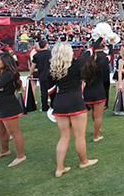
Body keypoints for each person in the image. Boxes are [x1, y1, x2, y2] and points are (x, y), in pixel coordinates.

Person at [49, 42, 98, 178]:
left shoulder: (52, 70)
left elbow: (49, 90)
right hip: (76, 103)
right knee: (79, 136)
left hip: (60, 104)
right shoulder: (77, 64)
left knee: (64, 137)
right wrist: (100, 36)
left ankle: (59, 168)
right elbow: (90, 50)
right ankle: (84, 161)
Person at [0, 52, 25, 167]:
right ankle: (4, 150)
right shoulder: (2, 73)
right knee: (0, 131)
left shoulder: (8, 74)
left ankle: (21, 156)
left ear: (4, 62)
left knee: (15, 132)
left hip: (9, 106)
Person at [82, 40, 107, 142]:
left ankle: (96, 129)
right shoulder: (101, 64)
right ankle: (96, 136)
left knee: (93, 113)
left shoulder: (86, 65)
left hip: (88, 92)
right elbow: (105, 78)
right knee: (98, 116)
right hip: (99, 91)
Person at [31, 40, 51, 113]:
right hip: (51, 75)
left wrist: (30, 74)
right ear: (46, 45)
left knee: (43, 92)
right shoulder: (51, 53)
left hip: (42, 75)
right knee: (53, 91)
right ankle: (53, 106)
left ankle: (44, 107)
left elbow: (33, 66)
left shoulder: (36, 55)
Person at [113, 45, 124, 114]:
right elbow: (119, 71)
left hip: (122, 76)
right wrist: (120, 82)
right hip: (119, 76)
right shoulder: (121, 59)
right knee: (118, 91)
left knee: (123, 91)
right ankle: (116, 108)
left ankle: (123, 103)